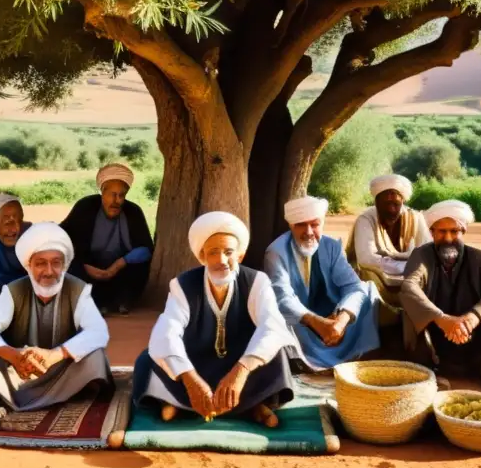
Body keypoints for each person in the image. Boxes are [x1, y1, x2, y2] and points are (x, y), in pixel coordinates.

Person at [133, 212, 294, 427]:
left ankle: (185, 405)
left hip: (241, 363)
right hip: (196, 363)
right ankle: (234, 405)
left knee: (277, 354)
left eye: (228, 252)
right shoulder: (182, 285)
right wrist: (189, 378)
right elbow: (166, 332)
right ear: (202, 257)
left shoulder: (257, 282)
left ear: (240, 256)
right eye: (213, 253)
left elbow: (272, 328)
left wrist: (241, 371)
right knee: (150, 358)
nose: (221, 261)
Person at [0, 222, 112, 412]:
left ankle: (2, 397)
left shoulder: (78, 289)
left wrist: (55, 355)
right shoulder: (14, 290)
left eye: (56, 263)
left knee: (95, 355)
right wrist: (13, 355)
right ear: (29, 265)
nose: (49, 271)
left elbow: (98, 331)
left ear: (64, 265)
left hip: (62, 369)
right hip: (20, 371)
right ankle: (3, 393)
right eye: (41, 263)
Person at [399, 200, 481, 392]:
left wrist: (473, 317)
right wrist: (441, 318)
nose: (448, 238)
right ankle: (431, 370)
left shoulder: (478, 257)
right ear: (432, 232)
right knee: (410, 303)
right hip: (435, 332)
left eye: (454, 231)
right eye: (442, 232)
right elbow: (409, 286)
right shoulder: (421, 255)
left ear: (463, 231)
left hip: (472, 331)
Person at [264, 196, 380, 371]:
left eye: (315, 224)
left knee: (368, 290)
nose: (309, 232)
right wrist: (318, 323)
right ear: (291, 226)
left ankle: (358, 355)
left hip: (334, 317)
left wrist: (341, 319)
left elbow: (353, 286)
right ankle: (309, 363)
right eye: (301, 224)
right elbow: (283, 299)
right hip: (301, 322)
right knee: (278, 315)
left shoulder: (331, 246)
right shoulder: (276, 252)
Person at [61, 163, 154, 315]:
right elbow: (64, 238)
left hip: (119, 271)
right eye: (112, 194)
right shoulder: (86, 207)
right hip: (88, 269)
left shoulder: (133, 211)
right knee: (69, 263)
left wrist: (118, 264)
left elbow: (146, 249)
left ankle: (122, 301)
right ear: (102, 193)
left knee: (140, 263)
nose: (116, 200)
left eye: (121, 195)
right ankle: (94, 303)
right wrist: (85, 266)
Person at [346, 174, 432, 325]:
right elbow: (366, 258)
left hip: (408, 275)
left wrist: (411, 266)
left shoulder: (415, 217)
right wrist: (404, 265)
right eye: (386, 203)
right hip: (376, 275)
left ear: (403, 202)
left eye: (395, 204)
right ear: (376, 201)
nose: (391, 209)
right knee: (367, 275)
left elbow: (428, 251)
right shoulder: (366, 219)